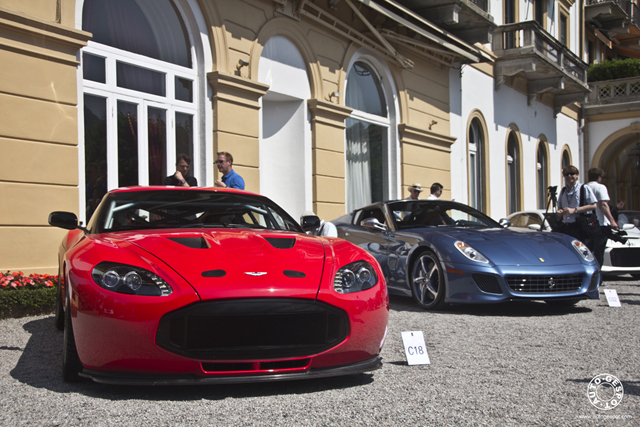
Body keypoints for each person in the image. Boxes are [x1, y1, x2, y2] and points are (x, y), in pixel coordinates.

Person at [556, 165, 597, 251]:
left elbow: (593, 205)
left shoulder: (583, 188)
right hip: (565, 226)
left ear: (577, 175)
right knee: (567, 251)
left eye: (572, 174)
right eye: (567, 174)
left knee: (580, 251)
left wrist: (575, 210)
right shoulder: (563, 191)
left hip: (579, 226)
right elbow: (559, 206)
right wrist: (560, 211)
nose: (569, 176)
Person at [586, 168, 617, 266]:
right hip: (599, 223)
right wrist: (612, 221)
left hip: (586, 223)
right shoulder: (600, 187)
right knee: (599, 252)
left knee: (587, 251)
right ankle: (598, 276)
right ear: (599, 177)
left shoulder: (584, 187)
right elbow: (603, 204)